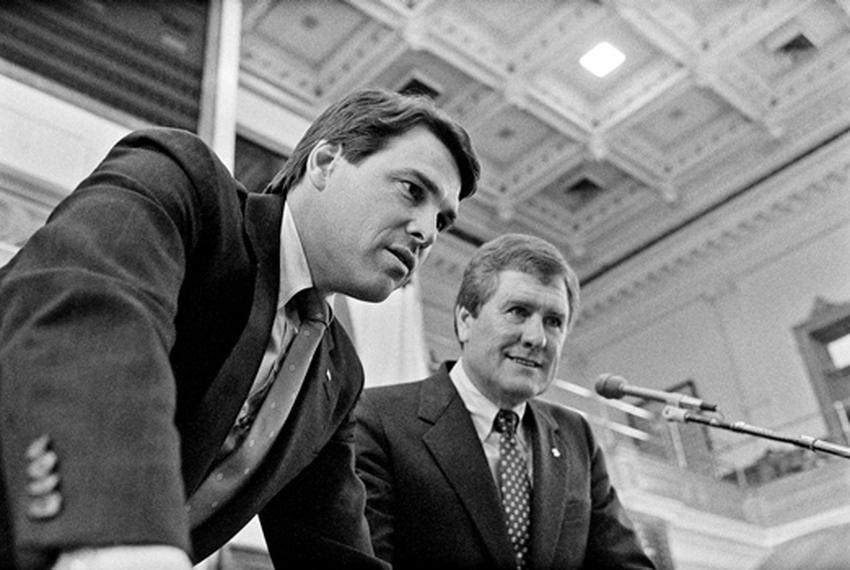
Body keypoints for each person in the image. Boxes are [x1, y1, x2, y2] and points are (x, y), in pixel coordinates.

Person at [0, 88, 480, 570]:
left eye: (443, 220)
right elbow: (91, 318)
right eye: (412, 190)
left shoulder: (338, 373)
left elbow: (329, 545)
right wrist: (117, 535)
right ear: (325, 162)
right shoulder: (184, 184)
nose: (427, 232)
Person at [355, 233, 655, 570]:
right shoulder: (378, 419)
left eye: (553, 322)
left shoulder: (576, 437)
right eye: (518, 311)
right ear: (465, 320)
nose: (536, 338)